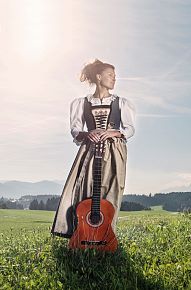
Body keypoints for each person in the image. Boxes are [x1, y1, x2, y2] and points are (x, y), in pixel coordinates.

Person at [51, 59, 135, 238]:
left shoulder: (121, 103)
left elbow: (130, 129)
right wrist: (87, 134)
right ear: (99, 77)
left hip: (114, 151)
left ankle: (105, 235)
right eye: (110, 75)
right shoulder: (81, 103)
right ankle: (82, 232)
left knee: (111, 189)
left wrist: (114, 133)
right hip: (89, 149)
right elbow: (75, 130)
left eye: (115, 76)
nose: (114, 79)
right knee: (85, 187)